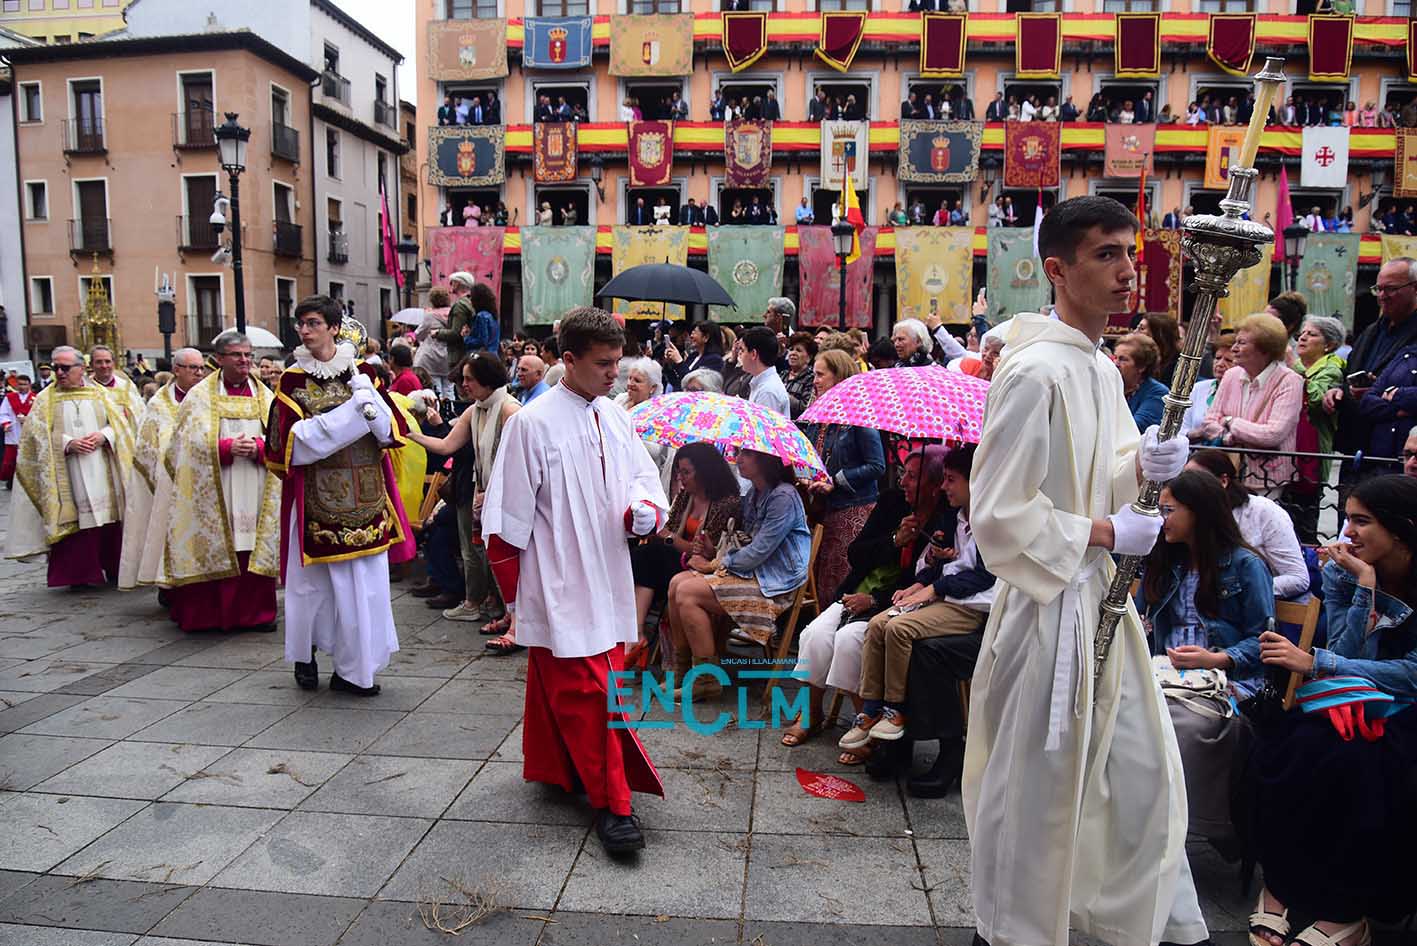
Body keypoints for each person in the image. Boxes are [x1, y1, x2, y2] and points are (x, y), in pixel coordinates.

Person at [964, 196, 1205, 946]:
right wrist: (1103, 530)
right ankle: (1013, 932)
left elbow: (1104, 471)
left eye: (1130, 252)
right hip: (1049, 609)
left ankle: (1101, 919)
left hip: (1102, 597)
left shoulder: (1099, 367)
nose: (1127, 269)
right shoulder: (1034, 372)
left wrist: (1147, 462)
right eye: (1106, 254)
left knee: (1137, 778)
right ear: (1058, 269)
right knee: (1035, 794)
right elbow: (997, 511)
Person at [480, 305, 670, 855]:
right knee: (589, 694)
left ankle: (557, 767)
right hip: (558, 579)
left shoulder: (615, 416)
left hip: (609, 573)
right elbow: (506, 520)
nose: (615, 374)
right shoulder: (531, 424)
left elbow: (642, 478)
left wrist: (645, 510)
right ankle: (614, 804)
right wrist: (516, 602)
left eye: (619, 362)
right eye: (604, 364)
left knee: (582, 686)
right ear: (568, 359)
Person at [1246, 475, 1417, 946]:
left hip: (1406, 711)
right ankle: (1280, 884)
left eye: (1362, 521)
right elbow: (1346, 651)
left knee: (1360, 762)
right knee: (1293, 745)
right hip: (1348, 699)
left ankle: (1346, 909)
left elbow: (1411, 673)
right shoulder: (1346, 572)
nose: (1349, 533)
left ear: (1401, 530)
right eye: (1347, 520)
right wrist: (1365, 587)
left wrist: (1316, 662)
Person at [265, 295, 414, 696]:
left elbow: (392, 433)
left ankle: (354, 671)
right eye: (300, 324)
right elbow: (287, 446)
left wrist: (372, 408)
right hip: (317, 503)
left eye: (313, 322)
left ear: (334, 327)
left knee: (364, 591)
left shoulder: (364, 373)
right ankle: (307, 655)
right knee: (312, 591)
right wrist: (351, 417)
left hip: (367, 500)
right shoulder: (291, 381)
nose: (304, 330)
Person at [783, 446, 948, 761]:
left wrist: (874, 600)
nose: (903, 482)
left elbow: (926, 581)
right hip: (855, 593)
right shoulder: (892, 503)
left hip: (897, 605)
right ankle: (812, 712)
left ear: (934, 484)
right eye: (903, 474)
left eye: (913, 477)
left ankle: (865, 725)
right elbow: (856, 554)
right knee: (815, 634)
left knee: (848, 640)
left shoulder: (945, 520)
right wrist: (895, 540)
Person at [1135, 469, 1274, 839]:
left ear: (1199, 511)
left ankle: (1186, 827)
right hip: (1164, 674)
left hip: (1224, 680)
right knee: (1122, 713)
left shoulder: (1245, 565)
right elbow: (1136, 621)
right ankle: (1137, 821)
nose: (1161, 519)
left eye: (1168, 510)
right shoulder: (1164, 561)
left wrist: (1215, 658)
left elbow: (1264, 640)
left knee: (1184, 725)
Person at [843, 444, 994, 749]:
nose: (944, 487)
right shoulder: (952, 517)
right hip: (942, 598)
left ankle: (895, 709)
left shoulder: (989, 523)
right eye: (944, 478)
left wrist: (934, 588)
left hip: (968, 606)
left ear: (974, 481)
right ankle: (871, 709)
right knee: (877, 624)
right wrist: (923, 578)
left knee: (899, 628)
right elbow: (938, 566)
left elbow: (983, 576)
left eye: (951, 480)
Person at [665, 448, 810, 700]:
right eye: (739, 453)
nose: (738, 459)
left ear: (766, 460)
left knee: (687, 592)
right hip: (751, 571)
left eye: (746, 455)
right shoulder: (754, 493)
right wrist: (713, 551)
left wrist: (715, 563)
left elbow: (759, 551)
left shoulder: (784, 497)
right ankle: (683, 671)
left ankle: (706, 679)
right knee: (676, 583)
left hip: (773, 582)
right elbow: (746, 544)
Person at [158, 332, 280, 633]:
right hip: (216, 485)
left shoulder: (265, 395)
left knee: (252, 546)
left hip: (255, 483)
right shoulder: (200, 396)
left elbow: (280, 438)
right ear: (220, 358)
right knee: (217, 545)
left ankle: (257, 614)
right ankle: (209, 616)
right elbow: (183, 445)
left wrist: (260, 448)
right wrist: (224, 448)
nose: (244, 360)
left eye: (248, 355)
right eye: (237, 355)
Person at [409, 353, 520, 643]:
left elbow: (518, 463)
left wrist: (492, 493)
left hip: (506, 497)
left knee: (506, 558)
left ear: (487, 379)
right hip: (484, 494)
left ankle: (515, 621)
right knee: (491, 556)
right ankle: (507, 615)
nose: (464, 384)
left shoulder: (510, 410)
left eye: (470, 379)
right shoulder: (476, 410)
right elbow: (446, 445)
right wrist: (409, 434)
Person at [7, 346, 135, 587]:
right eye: (56, 367)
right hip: (68, 471)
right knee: (76, 523)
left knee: (109, 519)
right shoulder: (45, 398)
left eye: (65, 368)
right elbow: (35, 435)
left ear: (81, 368)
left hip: (102, 467)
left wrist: (104, 436)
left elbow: (121, 424)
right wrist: (67, 443)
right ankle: (80, 575)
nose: (59, 373)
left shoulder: (100, 393)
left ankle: (115, 567)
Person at [628, 442, 741, 666]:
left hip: (702, 567)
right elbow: (668, 529)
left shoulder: (726, 504)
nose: (680, 478)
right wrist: (666, 536)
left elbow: (705, 552)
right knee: (644, 555)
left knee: (649, 556)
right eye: (679, 472)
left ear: (705, 472)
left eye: (686, 472)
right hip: (673, 561)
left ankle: (636, 635)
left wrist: (671, 538)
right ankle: (636, 634)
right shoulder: (686, 496)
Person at [117, 348, 206, 592]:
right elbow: (147, 446)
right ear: (177, 370)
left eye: (201, 368)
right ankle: (169, 586)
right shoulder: (159, 405)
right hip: (169, 481)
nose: (199, 373)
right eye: (193, 368)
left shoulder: (210, 398)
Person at [801, 349, 884, 599]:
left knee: (838, 578)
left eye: (820, 375)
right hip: (821, 508)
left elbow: (876, 466)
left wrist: (835, 482)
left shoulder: (859, 415)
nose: (814, 381)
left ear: (839, 377)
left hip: (851, 508)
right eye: (814, 375)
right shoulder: (818, 412)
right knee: (816, 577)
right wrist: (806, 475)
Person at [1202, 312, 1304, 497]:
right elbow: (1209, 422)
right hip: (1229, 472)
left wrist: (1231, 421)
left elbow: (1273, 435)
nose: (1234, 349)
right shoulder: (1231, 375)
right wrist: (1229, 438)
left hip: (1267, 478)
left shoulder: (1289, 381)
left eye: (1241, 343)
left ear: (1264, 349)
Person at [1186, 449, 1309, 599]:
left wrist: (1239, 591)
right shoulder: (1185, 513)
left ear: (1223, 481)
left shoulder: (1263, 511)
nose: (1188, 487)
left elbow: (1298, 578)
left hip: (1258, 604)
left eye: (1197, 480)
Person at [1296, 314, 1347, 471]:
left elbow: (1315, 400)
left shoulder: (1332, 370)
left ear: (1329, 345)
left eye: (1312, 334)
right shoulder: (1294, 365)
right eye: (1302, 333)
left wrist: (1293, 368)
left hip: (1314, 444)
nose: (1303, 338)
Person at [1115, 332, 1170, 431]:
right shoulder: (1110, 386)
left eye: (1123, 359)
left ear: (1142, 366)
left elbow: (1136, 426)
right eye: (1115, 358)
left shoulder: (1158, 393)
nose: (1115, 363)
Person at [89, 345, 144, 432]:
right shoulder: (86, 388)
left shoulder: (127, 386)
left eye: (107, 361)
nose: (104, 366)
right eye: (99, 362)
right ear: (91, 365)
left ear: (113, 363)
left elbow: (141, 413)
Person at [739, 326, 790, 415]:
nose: (739, 354)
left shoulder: (767, 392)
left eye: (742, 350)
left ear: (753, 354)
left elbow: (763, 423)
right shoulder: (762, 383)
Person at [414, 285, 454, 400]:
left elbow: (419, 334)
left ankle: (438, 409)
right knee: (449, 388)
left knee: (435, 388)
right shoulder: (453, 314)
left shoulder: (430, 316)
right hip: (449, 355)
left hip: (430, 358)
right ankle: (450, 408)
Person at [0, 375, 35, 488]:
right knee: (11, 459)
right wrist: (5, 423)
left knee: (28, 458)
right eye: (20, 384)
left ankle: (29, 482)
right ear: (16, 385)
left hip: (29, 432)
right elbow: (3, 413)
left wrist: (28, 419)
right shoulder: (9, 397)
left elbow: (40, 415)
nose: (22, 387)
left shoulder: (36, 398)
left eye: (24, 384)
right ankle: (11, 481)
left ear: (29, 385)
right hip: (13, 432)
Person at [1138, 312, 1183, 386]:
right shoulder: (1140, 359)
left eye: (1141, 329)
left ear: (1158, 335)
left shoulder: (1178, 367)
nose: (1135, 332)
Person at [780, 332, 817, 418]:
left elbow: (806, 407)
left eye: (798, 350)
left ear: (809, 357)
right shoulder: (783, 374)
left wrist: (783, 395)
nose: (793, 353)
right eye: (791, 349)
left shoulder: (811, 378)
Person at [461, 283, 500, 354]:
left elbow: (482, 341)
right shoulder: (493, 316)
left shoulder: (481, 316)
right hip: (493, 355)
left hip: (482, 357)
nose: (470, 299)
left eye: (471, 296)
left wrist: (466, 338)